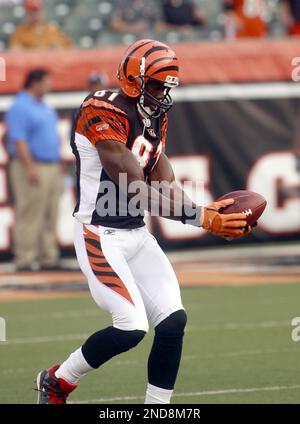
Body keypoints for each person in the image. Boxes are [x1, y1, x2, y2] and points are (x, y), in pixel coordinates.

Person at [36, 39, 252, 404]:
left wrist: (209, 212)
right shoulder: (101, 109)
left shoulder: (155, 116)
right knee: (131, 327)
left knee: (173, 322)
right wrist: (201, 218)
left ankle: (158, 408)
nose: (163, 95)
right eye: (155, 85)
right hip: (99, 234)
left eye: (167, 87)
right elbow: (133, 188)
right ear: (133, 79)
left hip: (136, 234)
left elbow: (163, 182)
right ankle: (58, 380)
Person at [5, 69, 62, 272]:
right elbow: (18, 140)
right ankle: (25, 258)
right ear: (34, 83)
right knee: (29, 212)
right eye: (46, 82)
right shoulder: (20, 107)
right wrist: (29, 168)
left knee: (50, 212)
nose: (49, 86)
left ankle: (48, 257)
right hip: (30, 165)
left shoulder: (44, 106)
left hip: (51, 165)